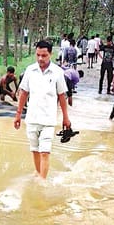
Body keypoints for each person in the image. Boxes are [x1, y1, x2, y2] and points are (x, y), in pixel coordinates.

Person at [14, 40, 71, 179]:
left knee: (45, 152)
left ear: (50, 54)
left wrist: (66, 117)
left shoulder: (57, 72)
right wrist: (18, 114)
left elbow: (62, 96)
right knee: (35, 150)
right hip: (32, 118)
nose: (40, 58)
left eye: (44, 55)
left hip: (48, 121)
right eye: (38, 55)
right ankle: (39, 175)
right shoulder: (30, 70)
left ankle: (42, 182)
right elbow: (24, 93)